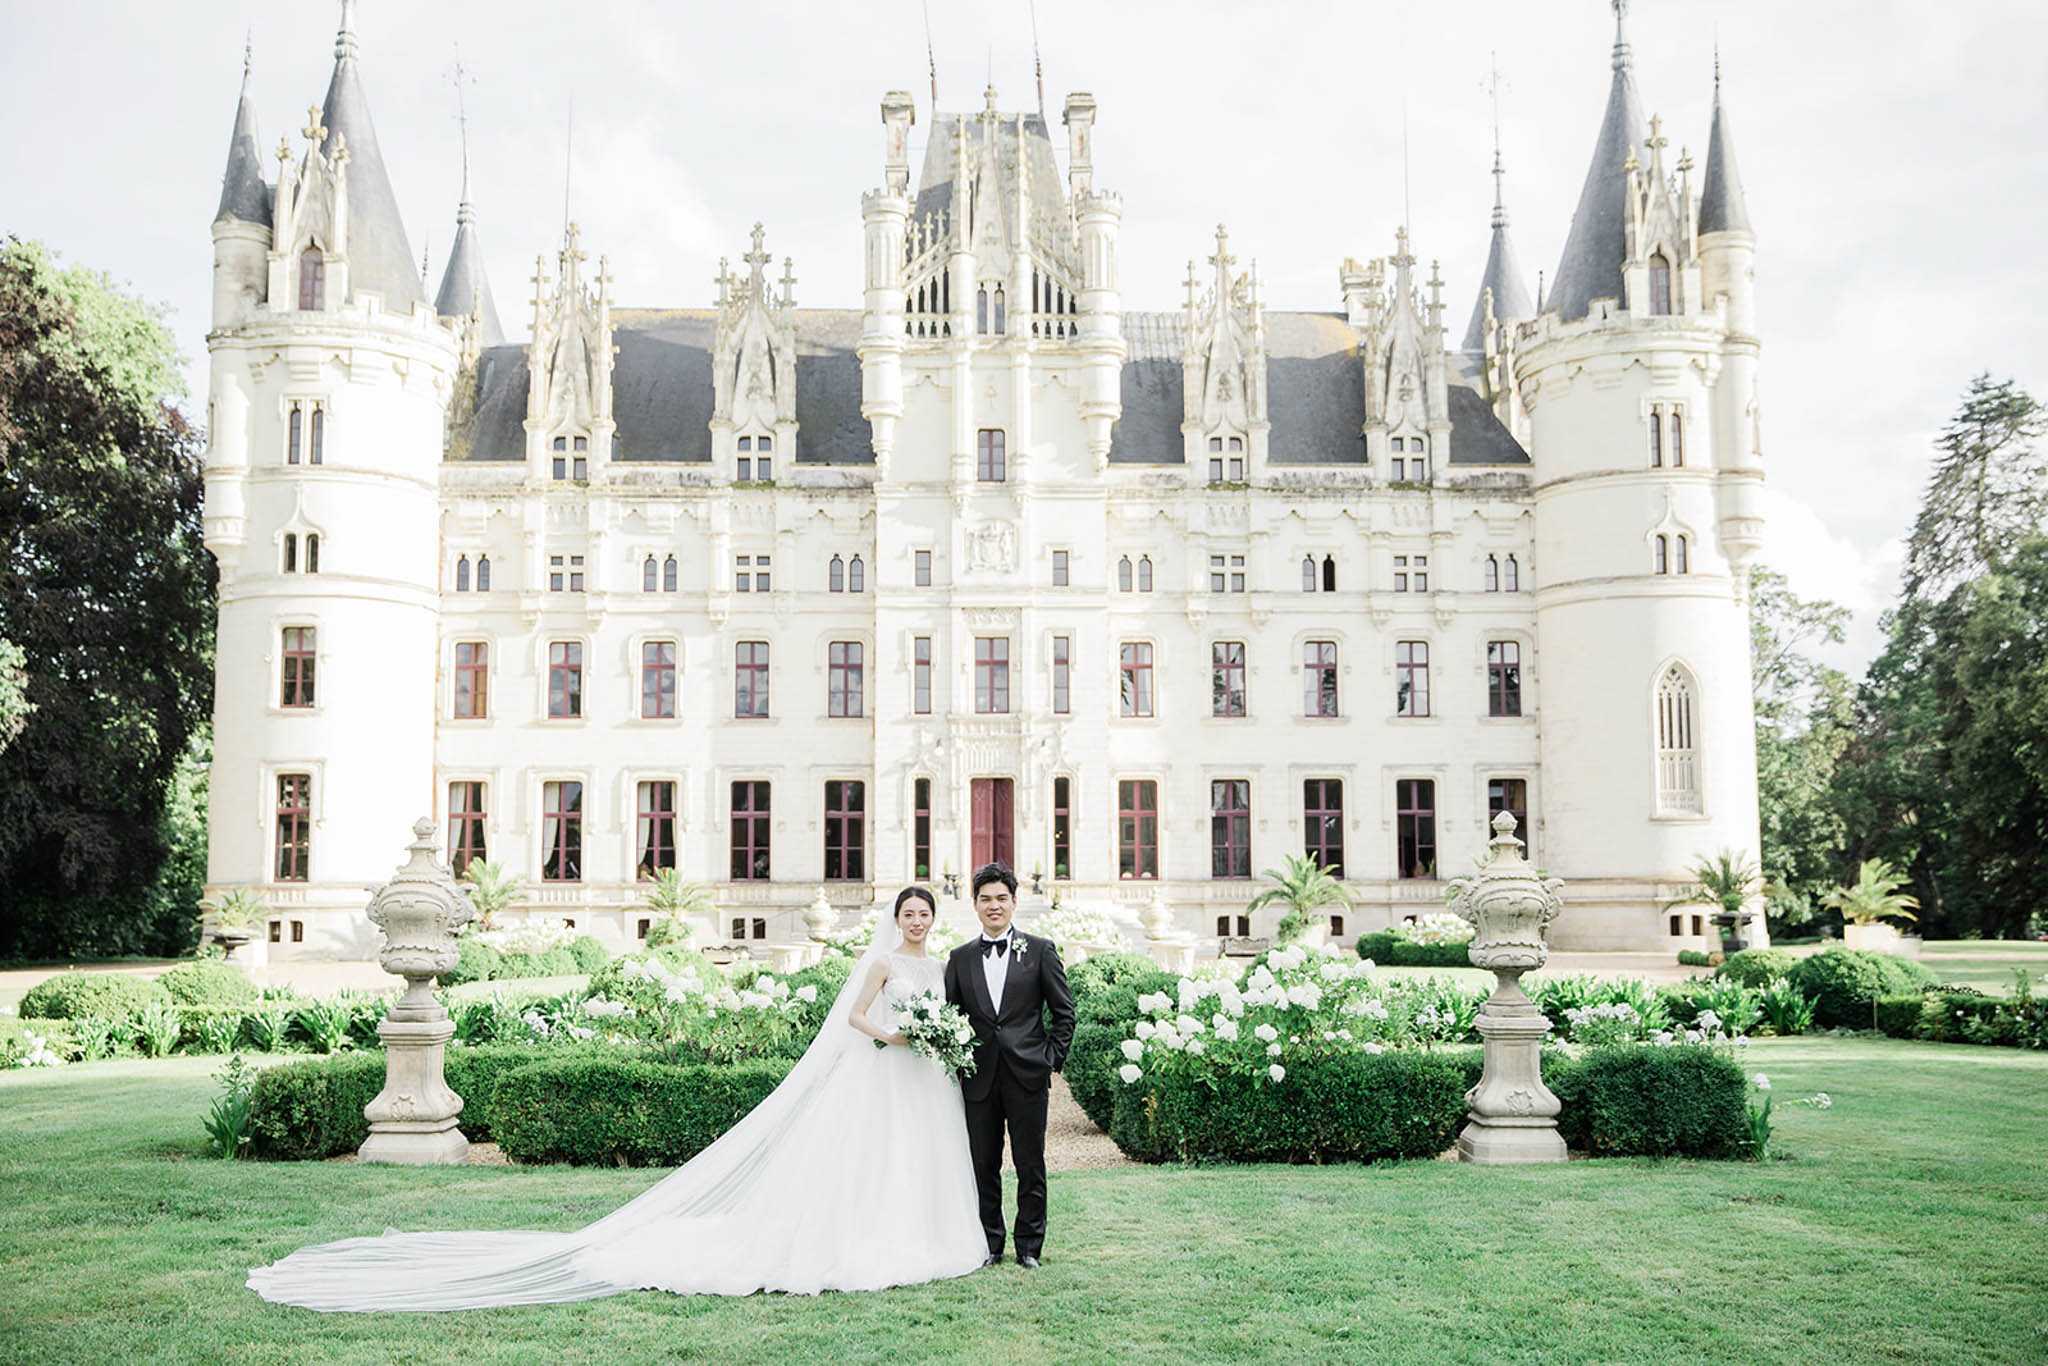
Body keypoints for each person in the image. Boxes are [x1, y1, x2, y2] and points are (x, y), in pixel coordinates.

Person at [245, 885, 988, 1311]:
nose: (917, 921)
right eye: (909, 913)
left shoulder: (945, 962)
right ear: (897, 918)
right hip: (886, 1066)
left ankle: (917, 1230)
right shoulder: (884, 960)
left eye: (925, 914)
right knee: (871, 1154)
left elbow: (949, 1014)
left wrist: (935, 1040)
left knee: (914, 1158)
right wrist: (894, 1038)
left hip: (925, 1078)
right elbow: (858, 1017)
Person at [943, 862, 1075, 1269]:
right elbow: (950, 1018)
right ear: (975, 905)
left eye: (1001, 898)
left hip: (1027, 1076)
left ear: (1015, 902)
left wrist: (1049, 1059)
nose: (994, 906)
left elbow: (1064, 1013)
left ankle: (1030, 1247)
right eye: (986, 899)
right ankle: (990, 1243)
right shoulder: (960, 958)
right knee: (983, 1165)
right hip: (978, 1079)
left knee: (1029, 1163)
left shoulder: (1040, 950)